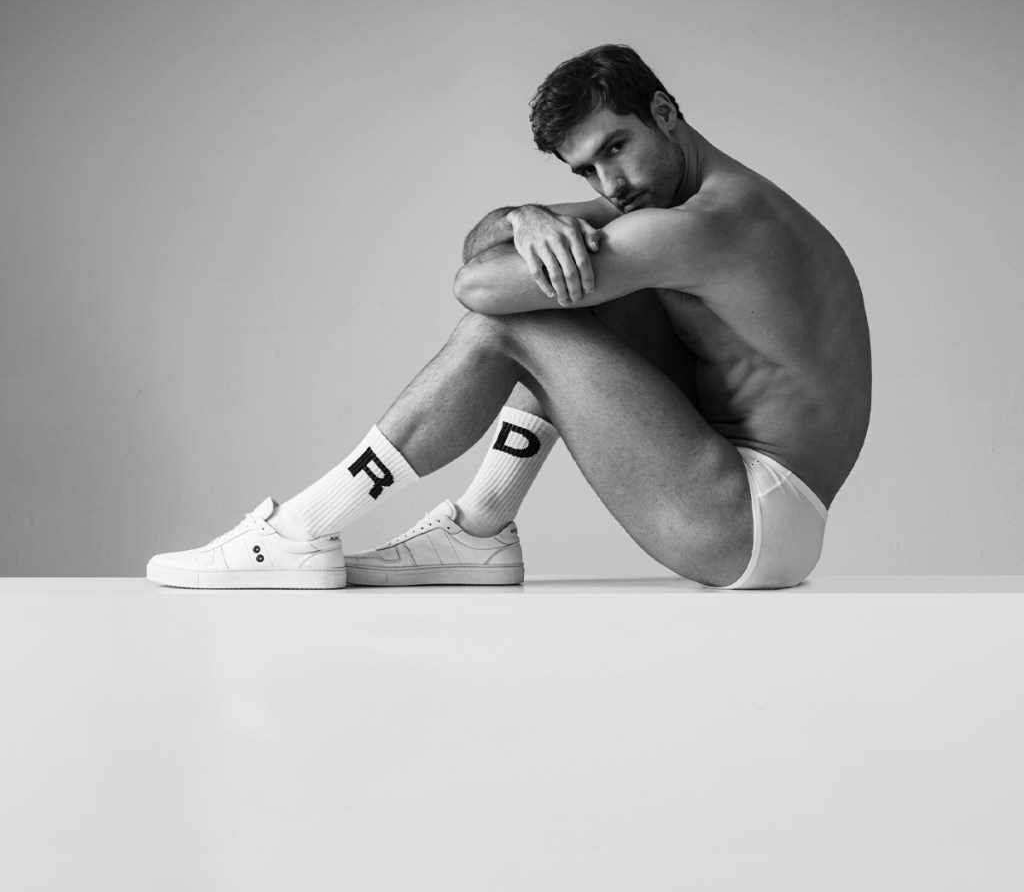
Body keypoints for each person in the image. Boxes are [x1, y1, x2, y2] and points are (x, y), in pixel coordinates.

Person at [147, 44, 871, 591]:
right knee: (574, 286)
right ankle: (480, 529)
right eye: (585, 171)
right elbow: (489, 248)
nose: (611, 184)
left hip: (746, 519)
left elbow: (479, 287)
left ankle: (300, 531)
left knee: (521, 319)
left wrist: (529, 229)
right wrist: (524, 216)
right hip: (775, 516)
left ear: (664, 112)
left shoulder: (699, 227)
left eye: (616, 149)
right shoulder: (693, 203)